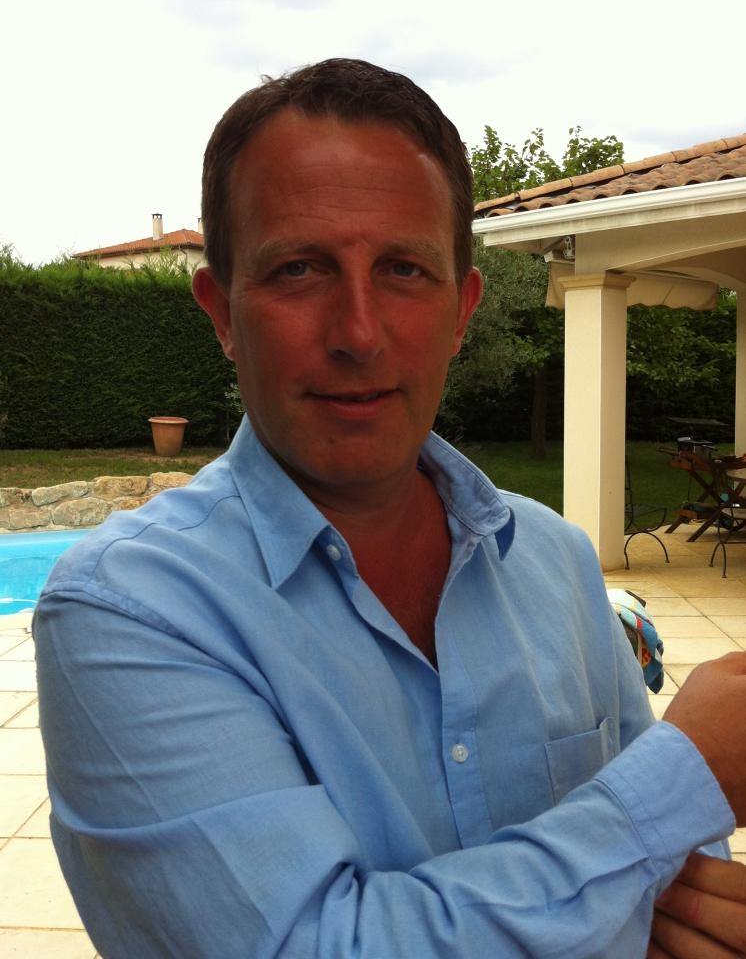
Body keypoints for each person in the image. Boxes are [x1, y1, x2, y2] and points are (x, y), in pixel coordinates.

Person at [34, 58, 746, 958]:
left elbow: (682, 887)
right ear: (221, 312)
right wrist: (676, 784)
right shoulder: (130, 611)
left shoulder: (557, 563)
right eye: (299, 269)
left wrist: (630, 873)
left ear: (461, 311)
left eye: (404, 270)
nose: (359, 333)